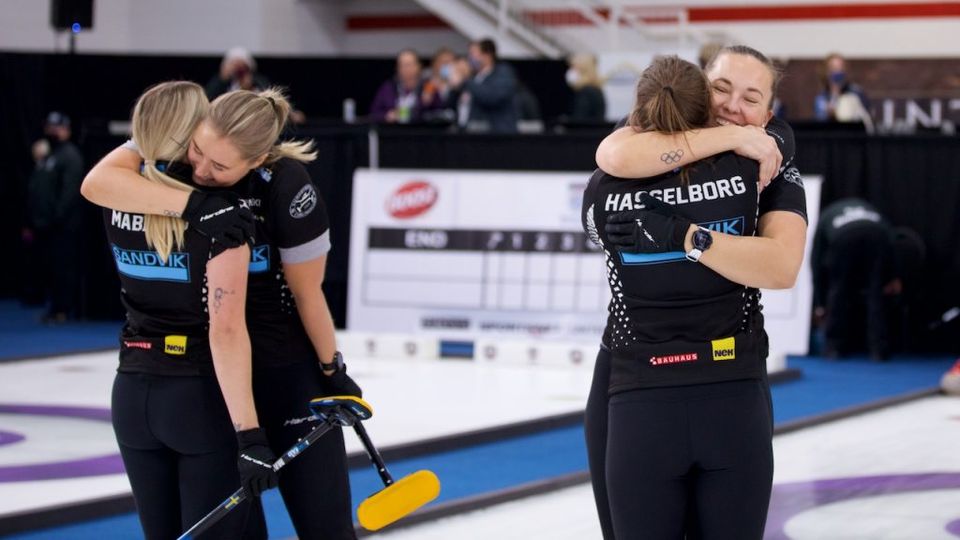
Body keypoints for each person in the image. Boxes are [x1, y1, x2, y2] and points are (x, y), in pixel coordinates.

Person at [82, 87, 362, 540]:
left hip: (280, 372)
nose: (201, 170)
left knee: (326, 528)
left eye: (219, 166)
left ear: (256, 161)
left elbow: (308, 294)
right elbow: (96, 184)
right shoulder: (179, 153)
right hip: (213, 381)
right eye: (198, 153)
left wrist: (332, 368)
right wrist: (198, 204)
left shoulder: (286, 184)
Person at [589, 47, 808, 539]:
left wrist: (686, 237)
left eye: (751, 99)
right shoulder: (653, 138)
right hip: (629, 374)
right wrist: (733, 135)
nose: (733, 105)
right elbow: (612, 154)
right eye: (722, 88)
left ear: (768, 116)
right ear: (696, 84)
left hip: (725, 372)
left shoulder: (772, 154)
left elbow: (781, 265)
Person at [95, 81, 273, 539]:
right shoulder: (224, 219)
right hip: (197, 400)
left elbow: (105, 174)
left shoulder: (118, 198)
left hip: (132, 393)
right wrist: (250, 435)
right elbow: (227, 333)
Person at [811, 198, 899, 361]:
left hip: (843, 238)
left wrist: (820, 303)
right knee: (875, 293)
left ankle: (834, 347)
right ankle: (879, 350)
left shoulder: (826, 216)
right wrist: (893, 275)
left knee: (838, 292)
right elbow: (891, 238)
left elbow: (816, 261)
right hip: (877, 235)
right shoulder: (869, 208)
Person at [24, 112, 84, 323]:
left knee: (63, 268)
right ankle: (53, 306)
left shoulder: (70, 155)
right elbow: (37, 187)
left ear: (66, 129)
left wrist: (56, 217)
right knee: (50, 268)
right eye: (49, 126)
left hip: (62, 225)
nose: (52, 131)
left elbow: (70, 191)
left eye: (56, 127)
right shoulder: (48, 154)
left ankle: (63, 309)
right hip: (44, 224)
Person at [449, 38, 518, 133]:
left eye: (473, 54)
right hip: (469, 134)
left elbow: (491, 97)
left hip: (496, 136)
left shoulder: (503, 73)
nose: (469, 58)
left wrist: (465, 80)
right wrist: (455, 85)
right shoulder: (472, 77)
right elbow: (452, 104)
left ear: (487, 55)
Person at [370, 49, 434, 123]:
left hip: (421, 130)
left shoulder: (428, 86)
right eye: (402, 65)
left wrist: (427, 103)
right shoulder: (388, 87)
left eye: (409, 64)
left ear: (418, 66)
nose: (406, 69)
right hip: (395, 130)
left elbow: (440, 112)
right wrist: (386, 115)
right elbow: (374, 112)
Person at [813, 52, 870, 124]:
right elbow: (819, 122)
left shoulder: (856, 93)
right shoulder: (821, 98)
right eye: (834, 68)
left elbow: (865, 118)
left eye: (841, 67)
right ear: (826, 72)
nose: (838, 71)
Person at [206, 46, 271, 99]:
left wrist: (249, 87)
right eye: (234, 64)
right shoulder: (221, 81)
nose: (238, 68)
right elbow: (209, 97)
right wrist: (222, 80)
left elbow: (267, 95)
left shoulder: (258, 81)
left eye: (241, 64)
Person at [565, 53, 606, 122]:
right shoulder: (595, 89)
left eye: (573, 67)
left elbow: (580, 118)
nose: (570, 71)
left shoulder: (586, 91)